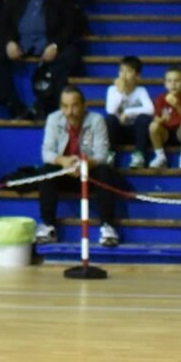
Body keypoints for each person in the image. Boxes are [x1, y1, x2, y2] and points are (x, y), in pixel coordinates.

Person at [0, 0, 84, 119]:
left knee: (70, 54)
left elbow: (70, 25)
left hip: (50, 44)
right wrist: (10, 42)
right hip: (21, 43)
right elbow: (3, 22)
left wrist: (55, 45)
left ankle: (48, 106)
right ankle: (13, 106)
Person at [34, 87, 120, 247]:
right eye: (65, 106)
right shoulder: (53, 119)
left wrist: (83, 165)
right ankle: (48, 226)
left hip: (89, 173)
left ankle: (108, 226)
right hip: (65, 172)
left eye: (74, 106)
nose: (70, 111)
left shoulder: (96, 120)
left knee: (105, 171)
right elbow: (47, 153)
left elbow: (102, 155)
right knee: (45, 171)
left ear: (83, 105)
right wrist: (63, 161)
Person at [104, 55, 154, 168]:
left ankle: (139, 155)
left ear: (137, 76)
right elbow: (110, 110)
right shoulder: (112, 90)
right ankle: (109, 154)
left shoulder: (141, 91)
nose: (124, 75)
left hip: (135, 132)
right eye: (121, 70)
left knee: (143, 119)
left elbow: (150, 109)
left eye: (129, 71)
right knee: (110, 119)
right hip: (118, 131)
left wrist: (129, 112)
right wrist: (120, 92)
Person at [148, 66, 181, 170]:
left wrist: (177, 105)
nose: (173, 84)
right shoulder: (160, 99)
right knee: (153, 126)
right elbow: (156, 118)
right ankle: (160, 156)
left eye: (177, 81)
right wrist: (161, 120)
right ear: (165, 84)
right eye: (169, 81)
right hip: (165, 132)